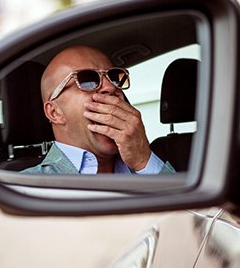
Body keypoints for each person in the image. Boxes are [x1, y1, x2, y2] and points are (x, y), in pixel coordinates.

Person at [22, 45, 174, 174]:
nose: (110, 87)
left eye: (114, 77)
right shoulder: (24, 187)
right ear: (54, 112)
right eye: (87, 80)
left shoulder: (151, 164)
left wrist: (143, 160)